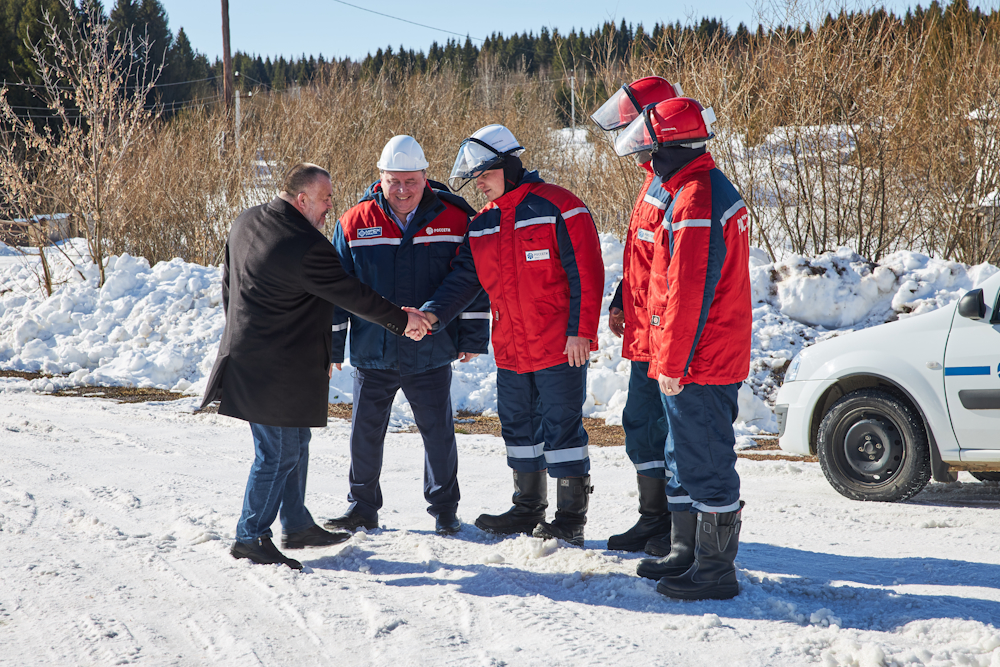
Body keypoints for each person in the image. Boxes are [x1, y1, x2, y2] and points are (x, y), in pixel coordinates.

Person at [201, 163, 430, 570]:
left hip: (256, 358)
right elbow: (354, 295)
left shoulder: (248, 220)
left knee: (296, 443)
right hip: (272, 369)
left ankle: (296, 523)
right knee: (277, 453)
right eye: (325, 199)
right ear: (302, 199)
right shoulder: (305, 245)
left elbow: (229, 285)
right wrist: (403, 319)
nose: (330, 207)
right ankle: (250, 536)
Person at [418, 124, 605, 547]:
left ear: (508, 165)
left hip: (560, 346)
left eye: (484, 174)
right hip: (511, 349)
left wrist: (581, 333)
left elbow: (586, 273)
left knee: (562, 428)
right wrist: (433, 315)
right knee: (518, 426)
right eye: (474, 178)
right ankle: (527, 508)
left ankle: (570, 517)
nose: (478, 184)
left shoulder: (559, 206)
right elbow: (464, 279)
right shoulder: (482, 223)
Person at [613, 98, 751, 600]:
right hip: (699, 354)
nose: (645, 162)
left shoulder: (696, 198)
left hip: (702, 359)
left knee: (706, 461)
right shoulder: (691, 188)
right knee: (687, 454)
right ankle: (691, 553)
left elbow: (687, 292)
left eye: (649, 150)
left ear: (671, 146)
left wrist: (670, 363)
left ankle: (716, 572)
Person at [322, 136, 489, 536]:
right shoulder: (354, 221)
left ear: (425, 178)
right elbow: (335, 289)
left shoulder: (454, 218)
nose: (402, 190)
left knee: (438, 434)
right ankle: (361, 507)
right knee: (364, 434)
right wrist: (332, 347)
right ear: (380, 178)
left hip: (429, 349)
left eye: (410, 181)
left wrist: (470, 338)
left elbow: (470, 281)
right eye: (393, 181)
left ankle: (445, 508)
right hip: (372, 351)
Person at [590, 76, 683, 553]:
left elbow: (683, 269)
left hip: (667, 336)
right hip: (645, 329)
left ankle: (674, 525)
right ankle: (654, 518)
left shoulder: (676, 183)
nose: (626, 140)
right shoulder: (652, 179)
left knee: (664, 431)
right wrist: (622, 296)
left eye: (630, 128)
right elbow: (646, 255)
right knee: (640, 424)